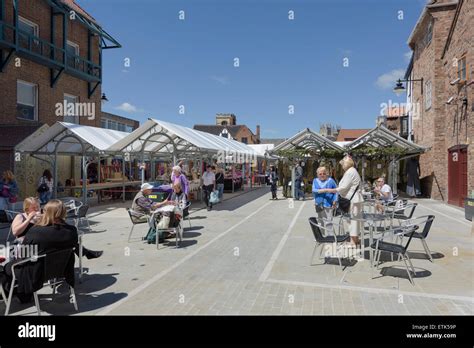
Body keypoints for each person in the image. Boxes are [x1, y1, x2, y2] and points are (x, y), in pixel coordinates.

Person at [317, 156, 364, 246]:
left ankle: (353, 242)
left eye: (342, 164)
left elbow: (342, 188)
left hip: (353, 200)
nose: (342, 166)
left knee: (353, 221)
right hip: (354, 200)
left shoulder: (350, 172)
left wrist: (327, 190)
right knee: (354, 220)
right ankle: (355, 239)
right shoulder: (351, 171)